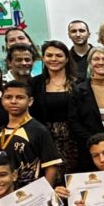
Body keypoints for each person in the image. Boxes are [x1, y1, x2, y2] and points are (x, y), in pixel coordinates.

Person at [0, 81, 62, 187]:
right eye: (8, 97)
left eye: (20, 97)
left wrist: (45, 193)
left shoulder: (39, 130)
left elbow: (52, 166)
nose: (13, 101)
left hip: (32, 193)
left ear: (30, 101)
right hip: (5, 191)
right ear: (2, 100)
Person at [29, 40, 80, 176]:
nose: (54, 59)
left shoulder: (79, 83)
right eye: (49, 55)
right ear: (43, 58)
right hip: (45, 140)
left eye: (59, 55)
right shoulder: (34, 83)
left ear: (67, 58)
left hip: (75, 141)